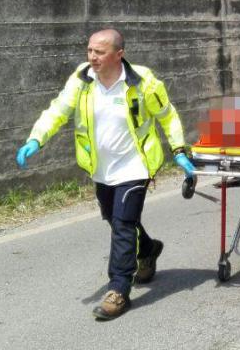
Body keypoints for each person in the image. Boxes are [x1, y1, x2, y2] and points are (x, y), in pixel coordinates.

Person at [15, 28, 193, 320]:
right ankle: (148, 249)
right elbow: (58, 110)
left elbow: (167, 115)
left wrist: (179, 150)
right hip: (101, 168)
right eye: (89, 51)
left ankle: (119, 289)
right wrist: (36, 138)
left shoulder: (143, 82)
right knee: (116, 219)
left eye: (99, 52)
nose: (92, 57)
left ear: (119, 54)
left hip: (135, 166)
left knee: (123, 224)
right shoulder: (82, 79)